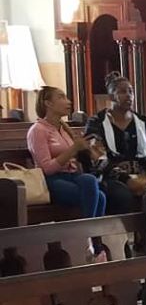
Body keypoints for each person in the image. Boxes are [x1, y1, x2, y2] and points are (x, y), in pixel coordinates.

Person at [26, 86, 106, 218]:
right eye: (61, 97)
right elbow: (47, 169)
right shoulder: (38, 130)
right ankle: (87, 234)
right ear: (48, 103)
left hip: (71, 176)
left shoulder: (64, 129)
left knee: (91, 182)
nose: (68, 101)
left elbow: (78, 158)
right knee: (96, 197)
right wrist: (74, 148)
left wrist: (89, 150)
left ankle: (90, 234)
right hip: (50, 180)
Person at [83, 72, 146, 214]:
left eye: (131, 91)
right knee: (122, 195)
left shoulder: (141, 121)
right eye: (123, 92)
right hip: (109, 176)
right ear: (111, 96)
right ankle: (124, 234)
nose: (129, 95)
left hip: (140, 174)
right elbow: (98, 159)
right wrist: (126, 178)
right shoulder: (97, 122)